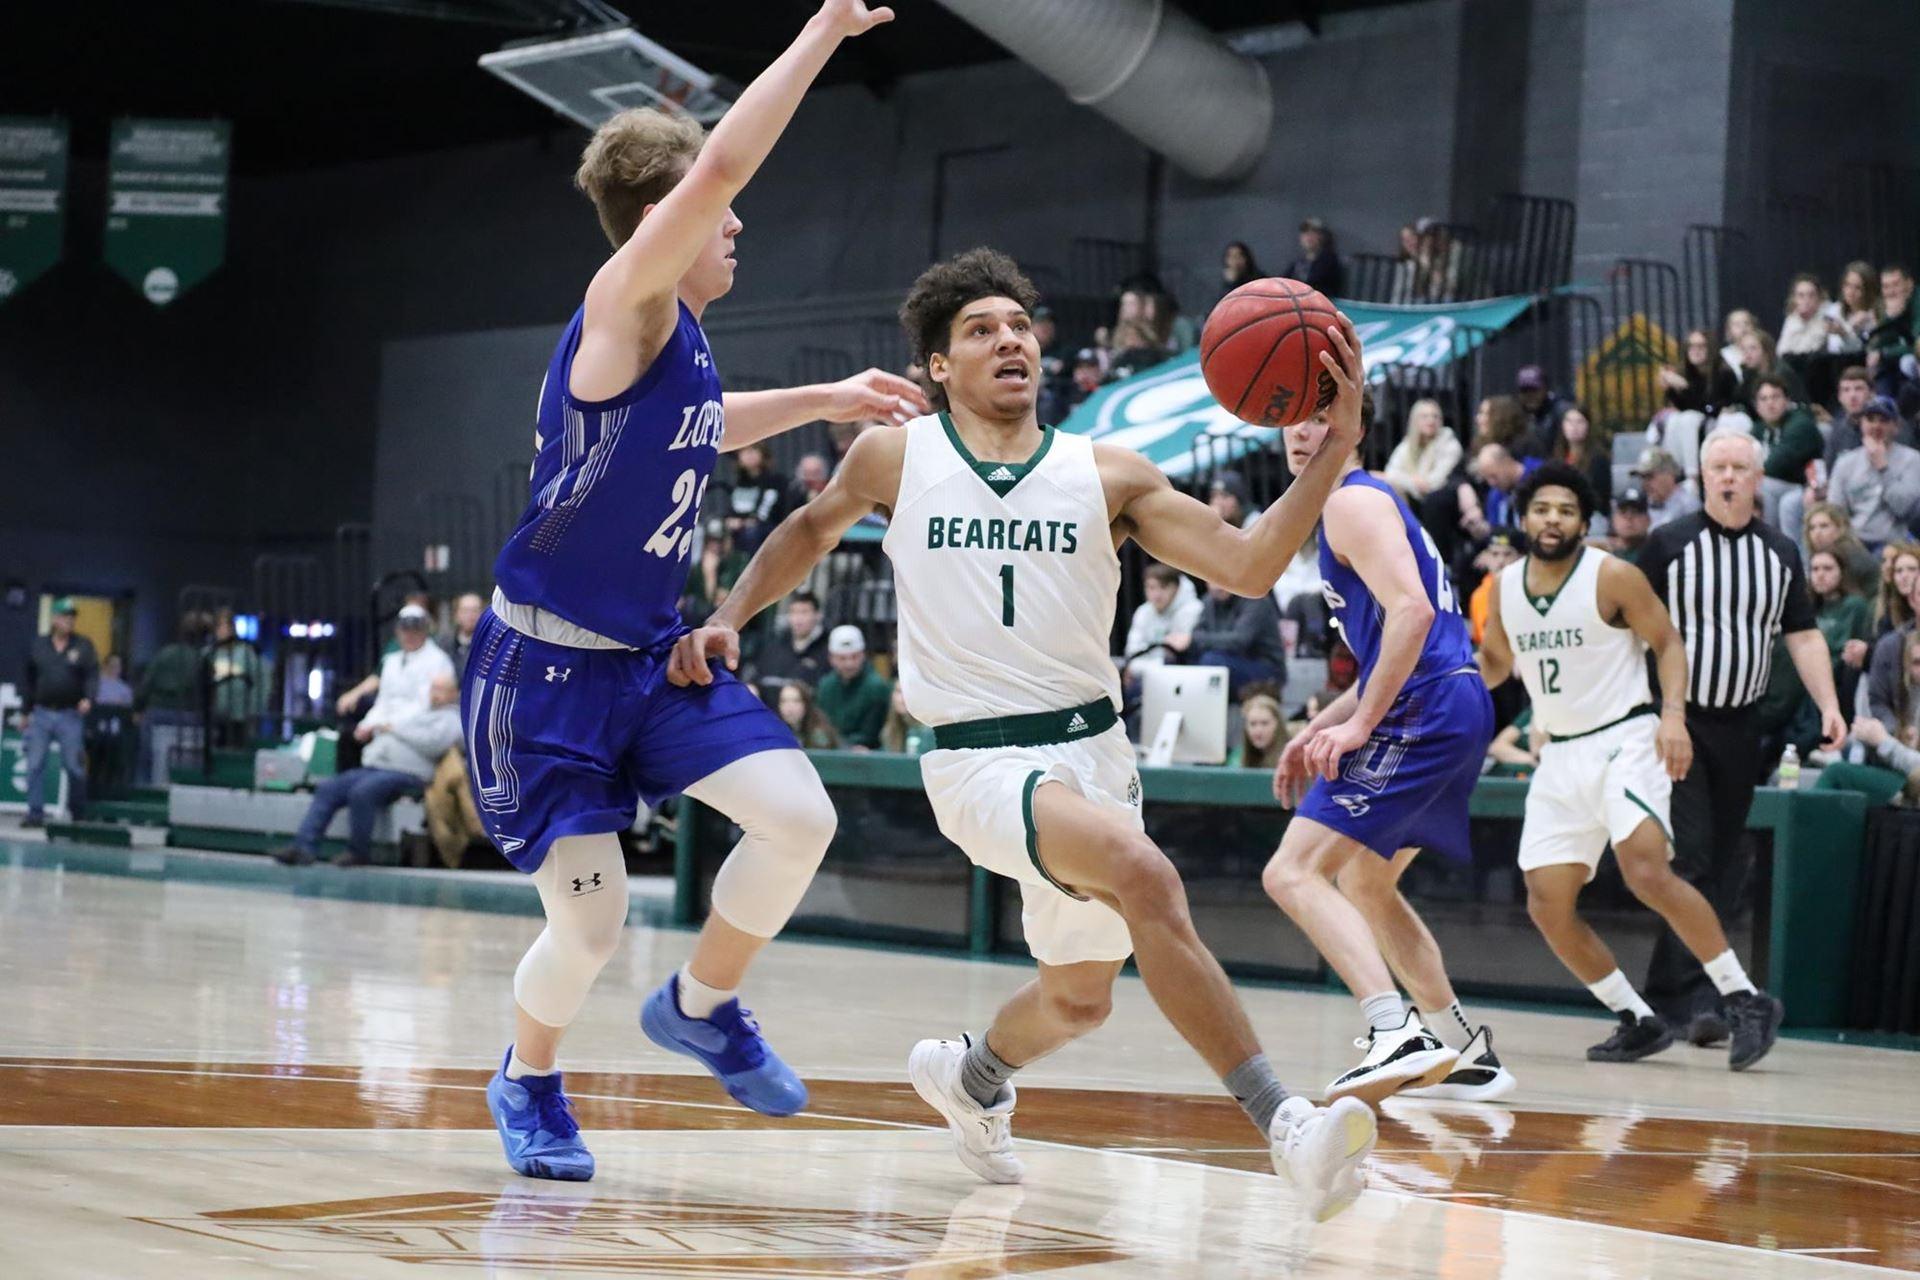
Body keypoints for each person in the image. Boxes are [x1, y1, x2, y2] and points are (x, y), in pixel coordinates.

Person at [669, 247, 1380, 1218]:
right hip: (979, 758)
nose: (1010, 340)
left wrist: (1336, 446)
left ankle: (971, 1078)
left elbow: (1251, 566)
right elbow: (808, 530)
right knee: (1145, 876)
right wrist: (727, 616)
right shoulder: (895, 456)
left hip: (1096, 753)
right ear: (938, 366)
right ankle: (1287, 1126)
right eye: (980, 330)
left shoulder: (1109, 473)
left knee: (1080, 996)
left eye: (1018, 325)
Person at [462, 2, 926, 1185]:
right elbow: (720, 164)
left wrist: (826, 397)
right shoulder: (629, 299)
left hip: (645, 657)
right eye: (720, 215)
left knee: (800, 815)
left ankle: (703, 1002)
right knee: (591, 918)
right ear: (673, 219)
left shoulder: (679, 342)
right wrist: (823, 32)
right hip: (542, 677)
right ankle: (526, 1077)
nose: (738, 224)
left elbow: (700, 427)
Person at [1479, 462, 1786, 1069]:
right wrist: (1444, 680)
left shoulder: (1612, 575)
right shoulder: (1504, 588)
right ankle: (1637, 1017)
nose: (1553, 520)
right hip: (1560, 752)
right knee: (1546, 902)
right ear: (1524, 518)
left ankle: (1745, 999)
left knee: (1645, 870)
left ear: (1583, 523)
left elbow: (1668, 643)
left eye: (1566, 511)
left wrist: (1673, 716)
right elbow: (1494, 663)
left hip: (1625, 737)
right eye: (1542, 509)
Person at [1264, 381, 1518, 1108]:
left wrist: (1359, 725)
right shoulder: (1364, 502)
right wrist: (1325, 722)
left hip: (1425, 706)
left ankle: (1393, 1030)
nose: (1301, 432)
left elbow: (1412, 615)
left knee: (1292, 872)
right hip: (1450, 699)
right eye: (1291, 419)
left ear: (1353, 427)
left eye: (1319, 417)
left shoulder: (1351, 502)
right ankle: (1465, 1054)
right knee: (1366, 883)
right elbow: (1399, 643)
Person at [1632, 431, 1845, 1045]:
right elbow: (1629, 626)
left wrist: (1829, 704)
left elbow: (1802, 633)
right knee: (1693, 857)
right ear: (1703, 476)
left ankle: (1669, 998)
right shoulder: (1668, 543)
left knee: (1723, 862)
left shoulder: (1780, 551)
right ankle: (1699, 999)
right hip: (1678, 721)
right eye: (1718, 467)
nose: (1728, 477)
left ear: (1757, 479)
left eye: (1739, 468)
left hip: (1742, 724)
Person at [274, 674, 462, 868]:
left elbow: (433, 743)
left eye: (441, 690)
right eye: (433, 688)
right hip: (376, 767)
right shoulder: (417, 711)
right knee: (329, 788)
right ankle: (304, 847)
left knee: (362, 792)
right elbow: (387, 722)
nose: (435, 694)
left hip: (410, 774)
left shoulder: (452, 719)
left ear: (454, 693)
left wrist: (395, 729)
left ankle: (358, 852)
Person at [18, 598, 97, 827]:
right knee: (34, 764)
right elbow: (29, 680)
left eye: (72, 617)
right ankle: (35, 812)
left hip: (70, 713)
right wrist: (25, 712)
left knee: (74, 765)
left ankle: (78, 813)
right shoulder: (39, 645)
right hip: (42, 712)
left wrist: (88, 698)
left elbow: (92, 675)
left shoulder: (83, 646)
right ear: (54, 619)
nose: (69, 621)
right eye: (64, 616)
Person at [1818, 632, 1920, 806]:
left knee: (1837, 773)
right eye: (1916, 663)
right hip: (1901, 776)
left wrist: (1883, 741)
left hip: (1911, 786)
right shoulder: (1907, 694)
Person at [1826, 396, 1920, 549]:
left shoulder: (1913, 459)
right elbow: (1835, 512)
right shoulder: (1845, 462)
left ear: (1896, 426)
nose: (1876, 426)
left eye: (1883, 420)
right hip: (1855, 542)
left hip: (1895, 544)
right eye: (1870, 420)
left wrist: (1883, 468)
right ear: (1861, 424)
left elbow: (1903, 508)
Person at [136, 611, 209, 787]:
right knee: (188, 757)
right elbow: (207, 691)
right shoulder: (202, 660)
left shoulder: (165, 653)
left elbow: (147, 683)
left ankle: (145, 791)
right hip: (189, 714)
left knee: (148, 759)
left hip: (158, 711)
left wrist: (137, 708)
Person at [1748, 375, 1822, 529]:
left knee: (1763, 485)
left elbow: (1776, 465)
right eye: (1764, 399)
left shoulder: (1800, 424)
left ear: (1787, 400)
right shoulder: (1758, 428)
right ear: (1756, 406)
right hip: (1777, 486)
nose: (1770, 403)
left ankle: (1770, 539)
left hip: (1805, 486)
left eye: (1775, 397)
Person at [1188, 580, 1287, 696]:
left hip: (1265, 666)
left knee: (1211, 661)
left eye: (1221, 581)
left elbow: (1239, 641)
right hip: (1227, 658)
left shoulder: (1255, 600)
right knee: (1187, 656)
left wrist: (1200, 640)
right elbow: (1197, 633)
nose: (1218, 587)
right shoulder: (1208, 601)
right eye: (1213, 581)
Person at [1807, 548, 1873, 712]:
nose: (1820, 574)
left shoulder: (1855, 606)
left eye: (1827, 568)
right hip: (1808, 687)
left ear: (1842, 573)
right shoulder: (1808, 607)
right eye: (1815, 569)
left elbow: (1847, 654)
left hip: (1838, 689)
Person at [816, 624, 891, 749]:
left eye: (854, 657)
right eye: (842, 658)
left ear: (863, 655)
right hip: (832, 748)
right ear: (831, 658)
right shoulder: (825, 686)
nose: (849, 664)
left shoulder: (876, 687)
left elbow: (871, 733)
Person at [1123, 562, 1202, 678]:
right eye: (1151, 588)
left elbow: (1179, 656)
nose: (1157, 594)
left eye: (1163, 587)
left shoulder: (1192, 610)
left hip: (1181, 674)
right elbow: (1132, 652)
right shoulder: (1143, 612)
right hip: (1144, 674)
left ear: (1176, 588)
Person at [1379, 398, 1462, 504]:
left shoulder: (1450, 444)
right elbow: (1391, 472)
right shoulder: (1407, 444)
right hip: (1412, 500)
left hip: (1438, 503)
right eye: (1425, 416)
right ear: (1414, 420)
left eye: (1435, 416)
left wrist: (1406, 480)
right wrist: (1414, 481)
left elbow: (1431, 485)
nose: (1431, 421)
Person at [751, 591, 831, 690]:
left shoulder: (827, 650)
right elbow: (756, 679)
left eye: (804, 612)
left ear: (817, 615)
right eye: (794, 612)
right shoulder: (774, 647)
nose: (798, 619)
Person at [1543, 403, 1612, 515]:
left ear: (1588, 425)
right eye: (1569, 421)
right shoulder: (1556, 457)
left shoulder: (1598, 459)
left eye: (1580, 422)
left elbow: (1601, 496)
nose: (1574, 427)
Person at [1802, 501, 1881, 596]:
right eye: (1812, 528)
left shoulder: (1852, 556)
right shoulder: (1817, 557)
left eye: (1824, 526)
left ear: (1840, 529)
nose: (1817, 533)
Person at [1866, 264, 1917, 405]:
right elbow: (1877, 345)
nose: (1891, 292)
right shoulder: (1884, 306)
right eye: (1886, 287)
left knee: (1906, 362)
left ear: (1909, 284)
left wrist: (1884, 353)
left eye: (1896, 284)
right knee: (1879, 366)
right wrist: (1890, 318)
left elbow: (1917, 345)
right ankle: (1883, 406)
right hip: (1893, 362)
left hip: (1914, 362)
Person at [1467, 529, 1523, 645]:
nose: (1500, 561)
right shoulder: (1478, 596)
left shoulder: (1531, 592)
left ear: (1520, 557)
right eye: (1494, 554)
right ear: (1485, 557)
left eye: (1507, 554)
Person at [1629, 448, 1699, 529]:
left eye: (1649, 476)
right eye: (1642, 478)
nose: (1644, 484)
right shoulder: (1642, 503)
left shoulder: (1688, 506)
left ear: (1669, 474)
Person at [1514, 366, 1571, 450]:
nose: (1530, 396)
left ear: (1545, 389)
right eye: (1524, 391)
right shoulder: (1516, 414)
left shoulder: (1561, 411)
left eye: (1534, 390)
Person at [1285, 217, 1342, 297]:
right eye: (1305, 233)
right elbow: (1283, 280)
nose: (1309, 236)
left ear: (1321, 237)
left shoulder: (1329, 260)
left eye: (1313, 232)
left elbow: (1316, 285)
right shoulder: (1298, 263)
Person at [1229, 692, 1288, 769]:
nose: (1258, 730)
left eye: (1264, 723)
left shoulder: (1292, 756)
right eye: (1253, 724)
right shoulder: (1237, 757)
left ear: (1278, 724)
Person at [776, 679, 840, 749]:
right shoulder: (778, 730)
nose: (789, 707)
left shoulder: (819, 734)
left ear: (806, 705)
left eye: (796, 701)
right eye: (784, 701)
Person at [880, 684, 934, 755]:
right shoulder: (890, 730)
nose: (901, 699)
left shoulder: (929, 732)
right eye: (899, 691)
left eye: (907, 692)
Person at [441, 592, 486, 678]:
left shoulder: (490, 644)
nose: (470, 616)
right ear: (456, 615)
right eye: (465, 611)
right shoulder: (445, 644)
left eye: (475, 611)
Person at [1607, 488, 1652, 562]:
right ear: (1614, 519)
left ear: (1648, 520)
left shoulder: (1659, 552)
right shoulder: (1602, 554)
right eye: (1623, 512)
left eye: (1636, 512)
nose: (1629, 517)